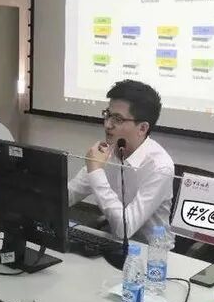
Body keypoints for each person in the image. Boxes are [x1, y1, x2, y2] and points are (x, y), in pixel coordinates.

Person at [69, 79, 175, 245]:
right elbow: (69, 194)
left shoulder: (160, 167)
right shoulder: (108, 152)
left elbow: (125, 229)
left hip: (151, 252)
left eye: (118, 119)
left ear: (142, 128)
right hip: (112, 242)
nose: (107, 125)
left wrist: (96, 172)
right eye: (108, 115)